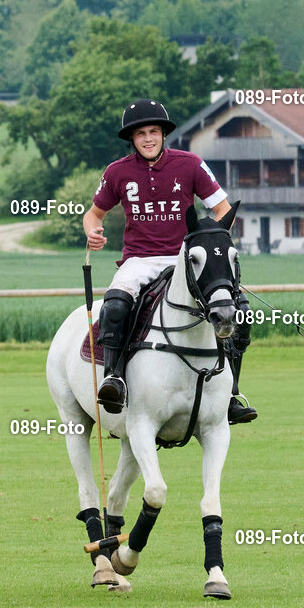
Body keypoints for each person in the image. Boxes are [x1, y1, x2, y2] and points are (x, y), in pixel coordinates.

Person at [83, 99, 256, 424]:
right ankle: (114, 379)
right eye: (140, 134)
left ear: (163, 134)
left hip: (186, 260)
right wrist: (93, 231)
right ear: (132, 139)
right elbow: (94, 213)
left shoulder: (190, 164)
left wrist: (210, 243)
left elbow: (222, 209)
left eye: (154, 132)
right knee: (115, 306)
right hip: (139, 260)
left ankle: (230, 393)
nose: (148, 138)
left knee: (239, 311)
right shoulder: (117, 172)